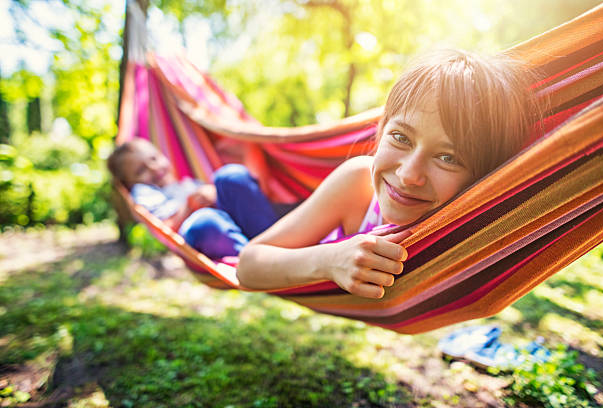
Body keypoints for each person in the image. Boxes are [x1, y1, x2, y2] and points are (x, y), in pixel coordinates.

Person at [236, 49, 543, 299]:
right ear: (381, 131)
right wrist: (329, 261)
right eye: (401, 138)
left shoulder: (471, 228)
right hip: (300, 245)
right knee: (221, 198)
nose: (409, 175)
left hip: (298, 239)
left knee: (209, 221)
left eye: (448, 157)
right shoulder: (358, 183)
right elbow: (248, 265)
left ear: (481, 178)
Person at [107, 138, 283, 259]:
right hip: (209, 235)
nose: (153, 168)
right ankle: (261, 259)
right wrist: (192, 204)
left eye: (154, 158)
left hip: (249, 228)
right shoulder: (144, 192)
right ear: (129, 185)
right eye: (140, 171)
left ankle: (280, 241)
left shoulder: (188, 183)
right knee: (204, 222)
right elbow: (166, 227)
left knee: (229, 176)